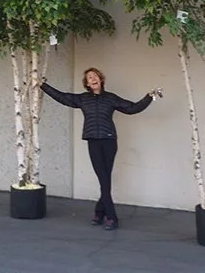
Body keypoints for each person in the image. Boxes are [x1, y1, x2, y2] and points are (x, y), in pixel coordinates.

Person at [40, 67, 162, 231]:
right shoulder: (83, 99)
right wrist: (43, 86)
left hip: (110, 141)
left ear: (100, 79)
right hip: (93, 142)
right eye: (89, 77)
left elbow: (132, 108)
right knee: (104, 179)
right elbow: (62, 97)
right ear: (87, 83)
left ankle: (100, 212)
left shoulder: (110, 98)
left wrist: (149, 96)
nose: (93, 78)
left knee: (105, 179)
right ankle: (111, 216)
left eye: (95, 76)